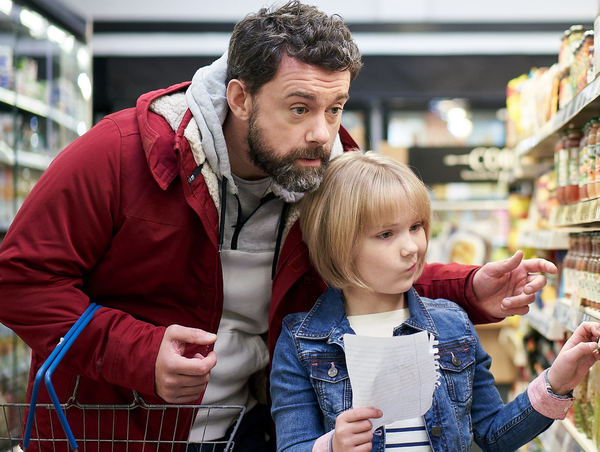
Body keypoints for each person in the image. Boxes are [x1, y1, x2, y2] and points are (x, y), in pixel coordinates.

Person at [0, 1, 555, 450]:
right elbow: (20, 279)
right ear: (240, 98)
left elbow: (361, 265)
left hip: (253, 431)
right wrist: (137, 353)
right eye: (299, 108)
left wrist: (470, 288)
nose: (323, 133)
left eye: (335, 108)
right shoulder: (122, 154)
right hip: (113, 432)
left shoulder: (320, 173)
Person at [269, 151, 600, 452]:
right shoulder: (302, 342)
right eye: (386, 234)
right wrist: (331, 447)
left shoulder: (451, 324)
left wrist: (557, 381)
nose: (411, 247)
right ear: (337, 243)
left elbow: (493, 435)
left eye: (416, 227)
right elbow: (292, 445)